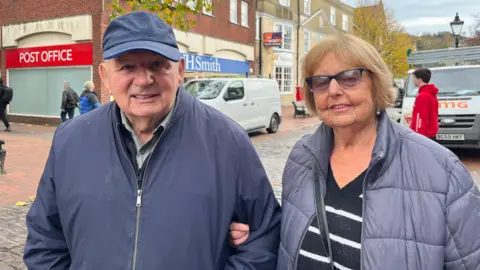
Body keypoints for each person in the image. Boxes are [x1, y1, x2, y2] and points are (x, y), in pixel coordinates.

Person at [23, 12, 281, 269]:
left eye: (158, 64)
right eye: (127, 67)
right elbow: (45, 242)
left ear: (179, 71)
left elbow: (263, 238)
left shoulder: (228, 142)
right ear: (105, 76)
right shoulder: (70, 141)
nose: (144, 80)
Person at [229, 33, 480, 269]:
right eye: (321, 81)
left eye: (350, 77)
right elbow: (292, 237)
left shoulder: (440, 170)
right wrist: (255, 236)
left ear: (376, 83)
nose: (334, 90)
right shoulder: (302, 157)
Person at [409, 68, 439, 139]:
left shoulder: (422, 96)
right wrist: (413, 118)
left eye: (414, 78)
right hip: (430, 133)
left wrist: (417, 136)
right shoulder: (431, 94)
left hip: (423, 135)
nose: (413, 80)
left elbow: (420, 118)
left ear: (420, 79)